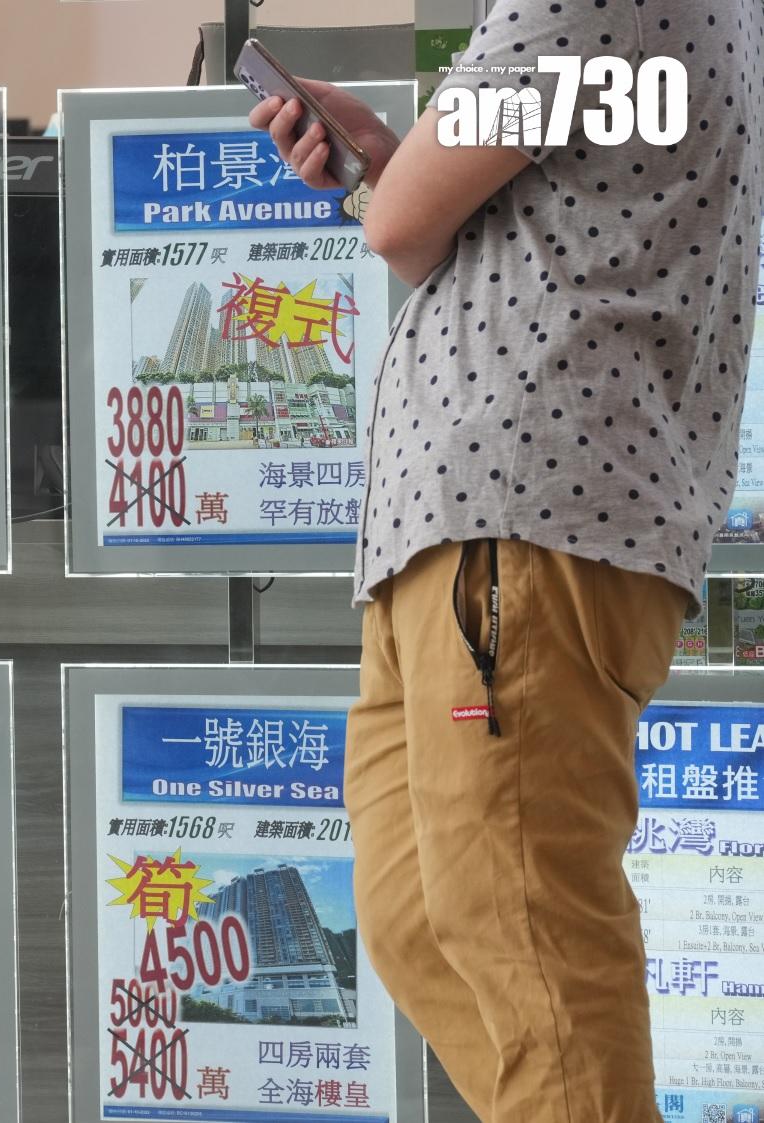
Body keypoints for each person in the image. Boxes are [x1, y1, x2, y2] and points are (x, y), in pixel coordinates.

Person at [250, 3, 764, 1121]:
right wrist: (383, 167)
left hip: (519, 515)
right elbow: (443, 213)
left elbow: (402, 228)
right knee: (420, 918)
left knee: (521, 942)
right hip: (479, 527)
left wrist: (389, 184)